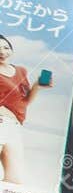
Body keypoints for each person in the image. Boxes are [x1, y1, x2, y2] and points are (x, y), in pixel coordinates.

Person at [0, 34, 51, 184]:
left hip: (14, 127)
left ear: (12, 50)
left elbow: (25, 100)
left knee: (15, 180)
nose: (2, 52)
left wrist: (37, 86)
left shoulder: (21, 71)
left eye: (6, 47)